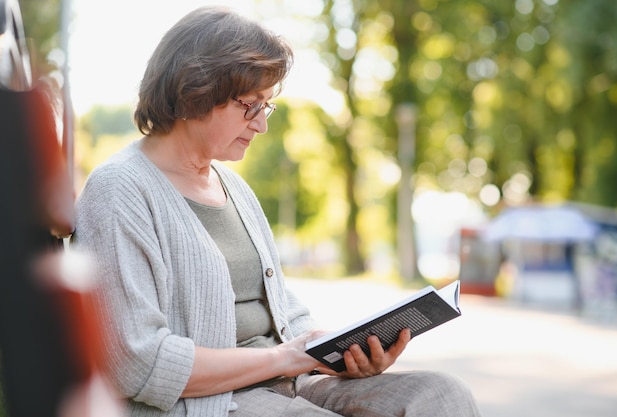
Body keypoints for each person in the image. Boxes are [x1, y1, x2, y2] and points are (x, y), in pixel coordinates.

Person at [73, 6, 482, 417]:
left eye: (265, 106)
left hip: (288, 385)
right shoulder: (118, 191)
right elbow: (133, 360)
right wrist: (287, 358)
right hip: (208, 402)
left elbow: (284, 313)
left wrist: (341, 351)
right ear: (194, 91)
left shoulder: (234, 188)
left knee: (442, 396)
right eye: (250, 104)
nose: (260, 124)